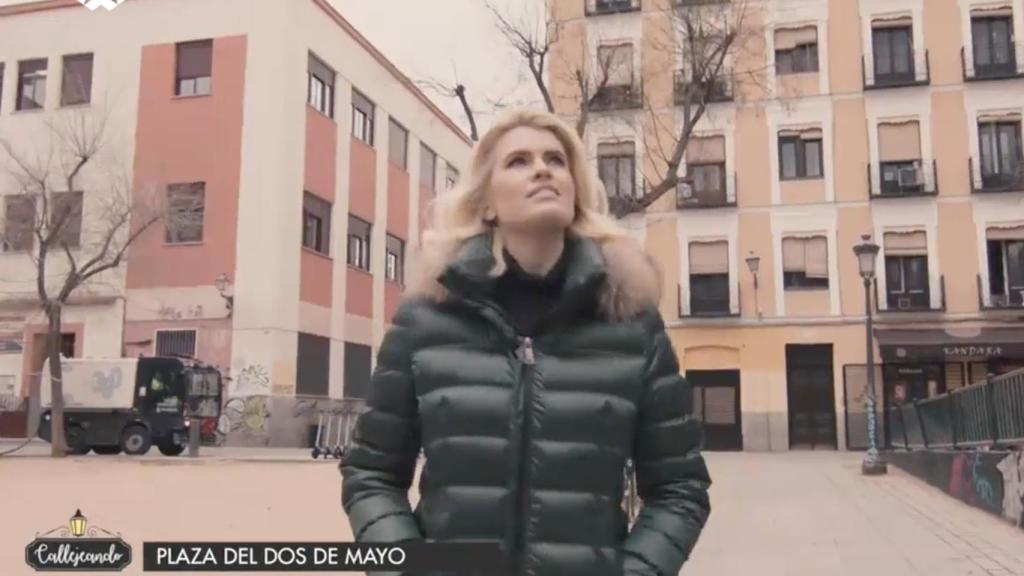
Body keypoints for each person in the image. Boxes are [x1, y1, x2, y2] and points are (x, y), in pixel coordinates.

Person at [340, 109, 711, 575]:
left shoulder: (630, 324)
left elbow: (681, 489)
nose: (542, 168)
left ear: (574, 191)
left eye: (556, 160)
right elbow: (371, 475)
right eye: (518, 161)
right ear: (487, 203)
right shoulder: (425, 319)